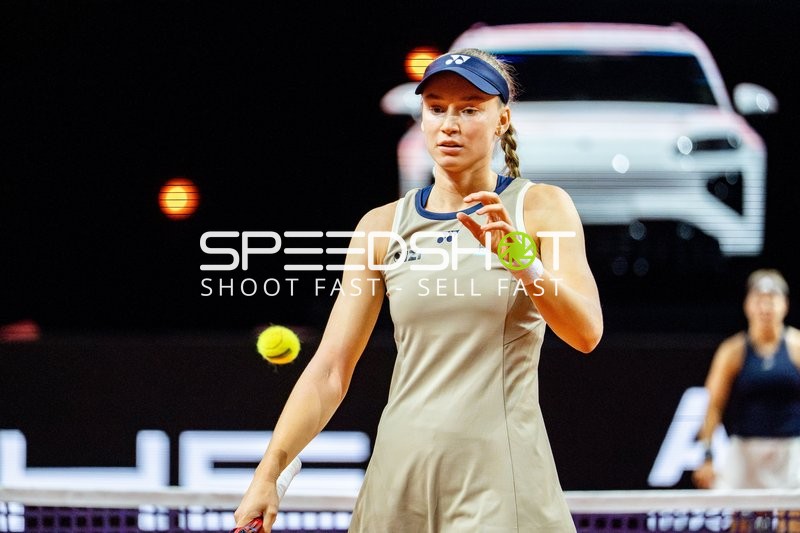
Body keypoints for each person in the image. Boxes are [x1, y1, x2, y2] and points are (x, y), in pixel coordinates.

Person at [233, 48, 603, 532]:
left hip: (499, 476)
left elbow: (586, 332)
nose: (450, 124)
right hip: (398, 476)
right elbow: (330, 370)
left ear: (502, 120)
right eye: (436, 108)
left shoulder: (541, 207)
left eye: (469, 109)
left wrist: (523, 262)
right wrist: (269, 473)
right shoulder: (381, 226)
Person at [692, 269, 800, 529]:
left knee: (794, 523)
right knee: (738, 524)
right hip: (744, 451)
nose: (765, 307)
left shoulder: (797, 346)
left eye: (772, 300)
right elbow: (713, 405)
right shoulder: (733, 350)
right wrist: (707, 455)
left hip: (790, 452)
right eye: (759, 300)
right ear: (747, 306)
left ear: (784, 305)